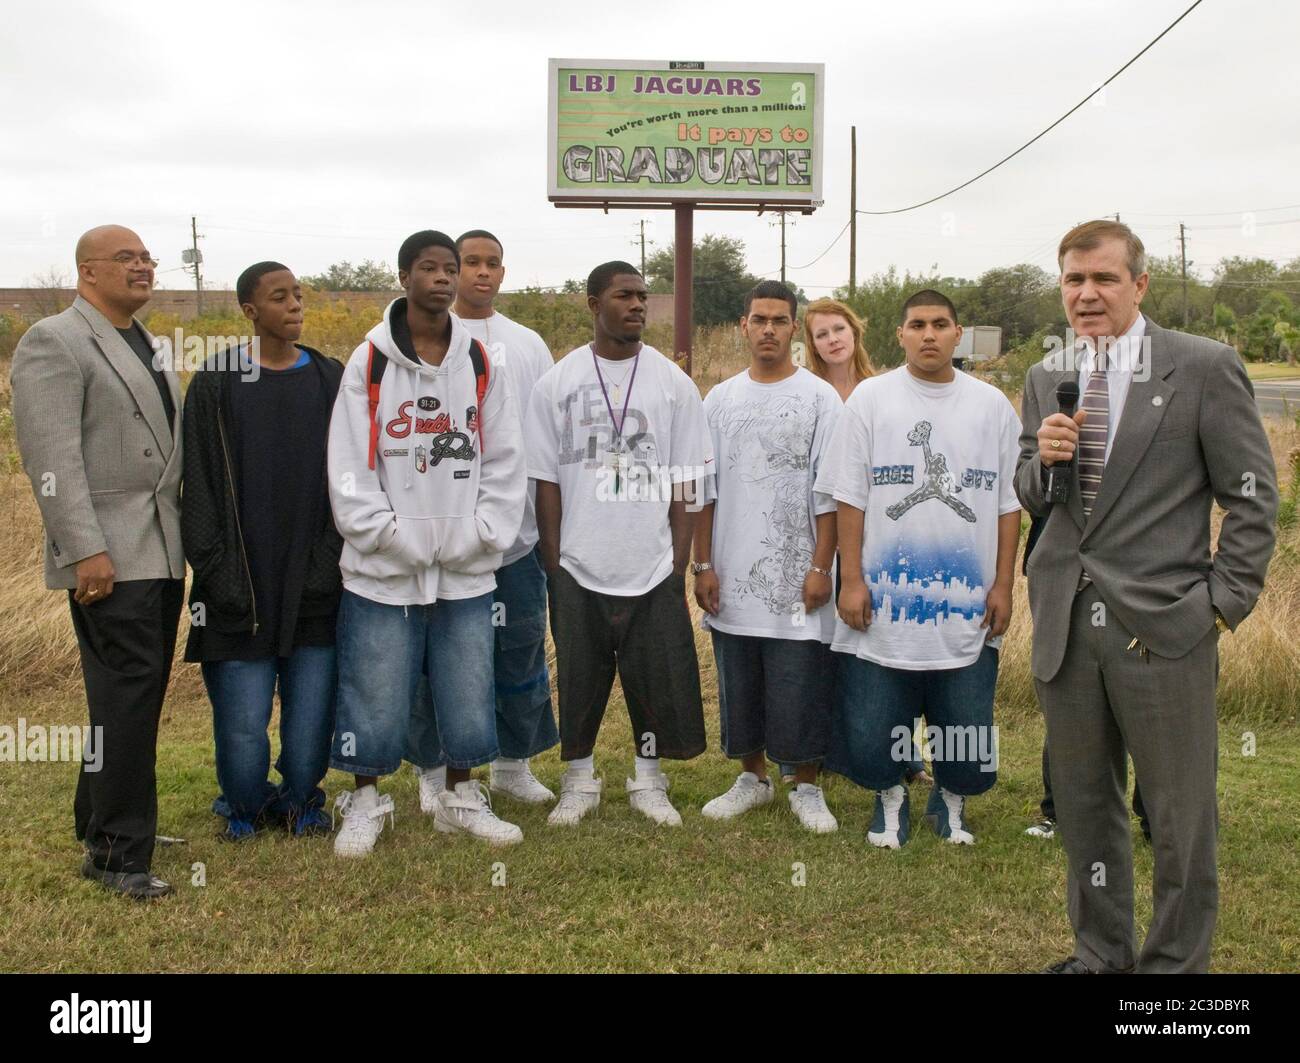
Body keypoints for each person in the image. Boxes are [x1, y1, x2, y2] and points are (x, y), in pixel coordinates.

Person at [1017, 220, 1278, 974]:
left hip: (1166, 628)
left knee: (1178, 818)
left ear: (1139, 284)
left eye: (1103, 278)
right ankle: (1100, 952)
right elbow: (1033, 489)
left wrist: (1219, 604)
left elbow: (1253, 499)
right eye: (1073, 279)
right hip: (1067, 619)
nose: (1087, 293)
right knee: (1085, 807)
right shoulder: (1047, 376)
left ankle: (1171, 969)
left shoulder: (1203, 367)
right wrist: (1046, 461)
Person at [326, 230, 527, 856]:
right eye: (429, 269)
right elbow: (349, 466)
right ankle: (364, 800)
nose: (442, 279)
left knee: (467, 684)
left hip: (466, 565)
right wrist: (387, 535)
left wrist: (482, 533)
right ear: (405, 277)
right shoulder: (370, 362)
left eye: (448, 269)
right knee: (376, 685)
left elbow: (504, 457)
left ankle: (460, 798)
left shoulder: (479, 362)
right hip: (382, 567)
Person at [11, 225, 183, 898]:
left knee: (129, 698)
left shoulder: (144, 341)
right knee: (127, 699)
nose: (142, 266)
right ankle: (117, 853)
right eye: (125, 258)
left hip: (157, 551)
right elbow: (51, 458)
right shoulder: (53, 341)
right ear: (87, 271)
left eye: (146, 257)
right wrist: (85, 548)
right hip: (109, 555)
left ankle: (101, 819)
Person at [816, 290, 1022, 848]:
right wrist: (851, 578)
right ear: (900, 335)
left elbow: (1007, 503)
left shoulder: (992, 406)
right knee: (874, 721)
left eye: (939, 324)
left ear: (958, 334)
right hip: (883, 601)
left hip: (967, 603)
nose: (928, 334)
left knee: (965, 723)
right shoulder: (871, 399)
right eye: (916, 325)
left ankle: (951, 802)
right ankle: (890, 798)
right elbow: (849, 497)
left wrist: (1003, 583)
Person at [525, 261, 711, 827]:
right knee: (579, 678)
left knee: (655, 676)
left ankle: (647, 779)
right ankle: (578, 780)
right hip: (578, 561)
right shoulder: (557, 382)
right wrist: (554, 559)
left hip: (651, 558)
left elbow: (689, 478)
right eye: (623, 296)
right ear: (592, 303)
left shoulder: (672, 383)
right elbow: (546, 478)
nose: (636, 306)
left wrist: (678, 557)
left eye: (642, 297)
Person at [182, 262, 343, 841]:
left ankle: (303, 802)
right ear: (250, 311)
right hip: (239, 590)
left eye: (298, 295)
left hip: (313, 585)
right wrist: (217, 573)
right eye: (280, 297)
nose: (295, 305)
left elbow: (351, 480)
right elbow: (196, 485)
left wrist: (329, 565)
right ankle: (244, 807)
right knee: (243, 731)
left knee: (307, 735)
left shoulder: (330, 379)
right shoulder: (217, 382)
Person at [407, 230, 560, 812]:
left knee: (517, 649)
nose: (480, 273)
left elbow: (544, 435)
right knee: (434, 658)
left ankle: (513, 764)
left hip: (515, 534)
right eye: (469, 262)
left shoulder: (528, 344)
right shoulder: (426, 340)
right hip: (440, 533)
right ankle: (432, 769)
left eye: (492, 263)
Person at [693, 281, 841, 831]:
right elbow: (703, 489)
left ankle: (805, 783)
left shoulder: (820, 398)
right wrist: (702, 564)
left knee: (800, 677)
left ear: (793, 328)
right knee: (741, 676)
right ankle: (752, 777)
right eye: (760, 320)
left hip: (799, 571)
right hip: (733, 570)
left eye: (780, 320)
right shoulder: (719, 399)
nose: (769, 330)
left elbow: (829, 491)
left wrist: (821, 565)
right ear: (744, 325)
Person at [804, 298, 931, 788]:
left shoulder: (884, 390)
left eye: (839, 329)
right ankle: (837, 752)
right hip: (827, 540)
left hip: (885, 538)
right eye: (821, 334)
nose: (832, 339)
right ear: (811, 344)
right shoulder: (811, 395)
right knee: (836, 656)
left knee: (895, 652)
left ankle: (907, 757)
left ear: (855, 332)